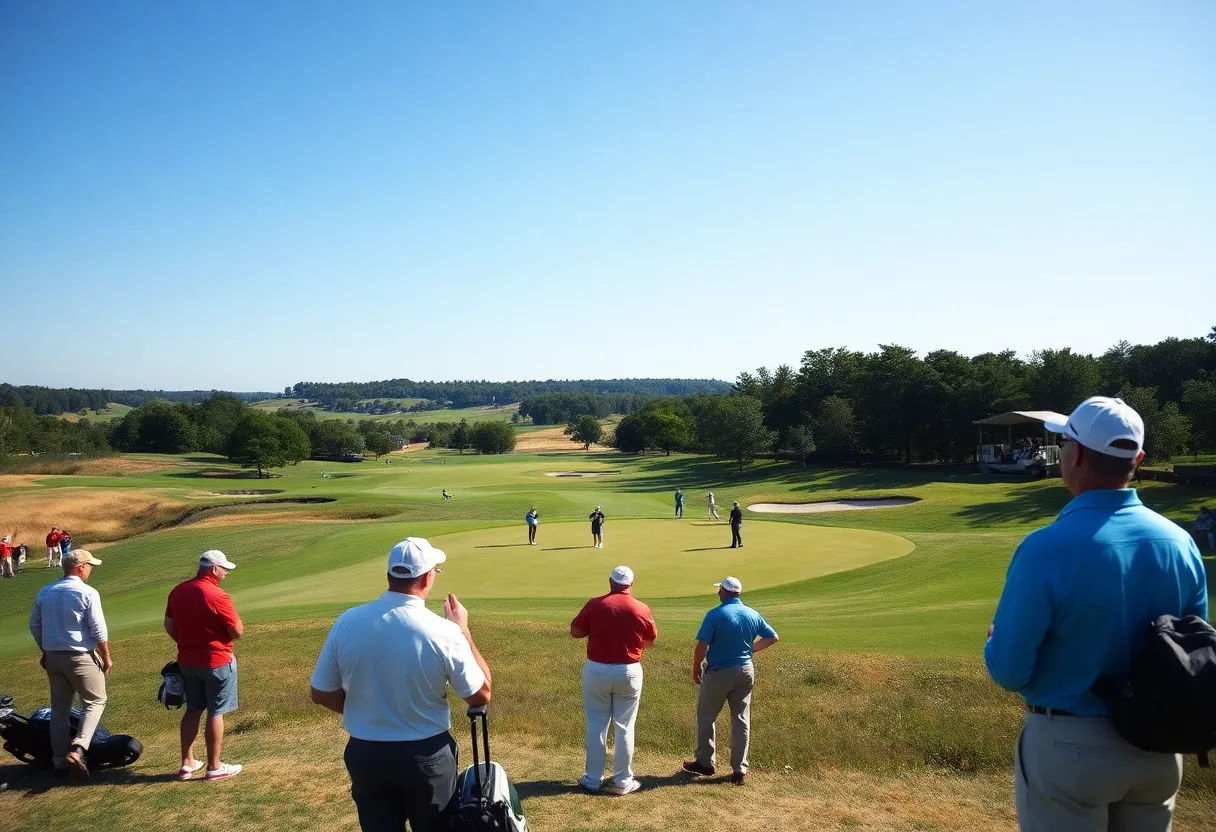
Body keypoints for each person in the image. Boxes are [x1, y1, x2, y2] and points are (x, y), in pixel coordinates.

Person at [985, 396, 1207, 832]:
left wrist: (996, 641)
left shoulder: (1045, 547)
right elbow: (1194, 652)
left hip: (1069, 747)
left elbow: (1009, 671)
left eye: (1064, 443)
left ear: (1077, 456)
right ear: (1137, 459)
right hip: (1159, 746)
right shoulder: (1179, 542)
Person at [310, 537, 492, 832]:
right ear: (427, 577)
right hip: (427, 756)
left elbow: (321, 692)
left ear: (389, 576)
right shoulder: (445, 632)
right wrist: (464, 630)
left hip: (367, 755)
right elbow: (481, 693)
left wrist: (367, 709)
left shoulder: (347, 622)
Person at [570, 566, 658, 796]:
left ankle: (592, 779)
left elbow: (576, 632)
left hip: (597, 670)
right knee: (625, 726)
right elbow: (649, 641)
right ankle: (622, 781)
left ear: (611, 582)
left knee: (597, 723)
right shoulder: (641, 608)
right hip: (629, 671)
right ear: (631, 584)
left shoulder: (594, 604)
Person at [682, 577, 778, 785]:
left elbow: (701, 646)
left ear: (723, 592)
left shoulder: (715, 614)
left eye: (720, 590)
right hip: (745, 671)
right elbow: (772, 637)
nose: (718, 593)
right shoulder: (752, 614)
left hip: (718, 672)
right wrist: (751, 650)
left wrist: (696, 666)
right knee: (741, 718)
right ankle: (740, 770)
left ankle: (705, 763)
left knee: (707, 716)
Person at [28, 550, 110, 777]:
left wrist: (45, 651)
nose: (91, 570)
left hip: (53, 658)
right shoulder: (87, 592)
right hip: (80, 656)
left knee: (59, 710)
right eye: (90, 566)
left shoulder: (45, 591)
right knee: (96, 700)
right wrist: (106, 656)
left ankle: (59, 762)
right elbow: (98, 628)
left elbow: (34, 625)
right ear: (80, 567)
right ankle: (79, 749)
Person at [165, 550, 245, 781]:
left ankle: (187, 764)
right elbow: (237, 631)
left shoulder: (178, 590)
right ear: (214, 569)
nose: (226, 573)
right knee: (216, 711)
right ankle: (214, 767)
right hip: (216, 661)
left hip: (187, 661)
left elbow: (169, 625)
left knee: (193, 709)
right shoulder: (217, 595)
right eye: (224, 569)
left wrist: (186, 643)